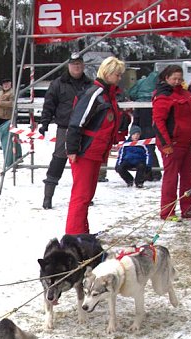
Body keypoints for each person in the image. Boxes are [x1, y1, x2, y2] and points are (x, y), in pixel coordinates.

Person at [64, 56, 125, 234]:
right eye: (117, 74)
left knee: (86, 196)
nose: (119, 78)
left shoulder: (107, 95)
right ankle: (74, 235)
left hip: (96, 151)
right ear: (107, 73)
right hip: (86, 151)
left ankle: (81, 232)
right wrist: (73, 149)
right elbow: (76, 122)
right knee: (81, 196)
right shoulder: (95, 93)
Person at [38, 53, 92, 209]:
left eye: (79, 64)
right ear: (69, 66)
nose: (77, 67)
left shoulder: (89, 84)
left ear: (83, 66)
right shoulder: (58, 84)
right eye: (74, 64)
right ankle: (48, 197)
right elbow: (49, 105)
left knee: (84, 164)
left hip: (85, 129)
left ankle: (85, 195)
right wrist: (44, 123)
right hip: (65, 128)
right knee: (58, 160)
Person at [152, 64, 191, 220]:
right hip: (172, 143)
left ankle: (188, 208)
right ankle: (167, 211)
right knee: (171, 179)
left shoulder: (185, 94)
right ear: (166, 78)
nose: (177, 81)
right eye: (174, 79)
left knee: (189, 176)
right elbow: (158, 122)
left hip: (186, 142)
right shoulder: (163, 96)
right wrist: (166, 144)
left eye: (179, 78)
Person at [0, 78, 14, 144]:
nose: (5, 85)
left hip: (7, 116)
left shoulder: (12, 93)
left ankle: (6, 144)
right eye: (4, 84)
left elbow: (12, 103)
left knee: (6, 132)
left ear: (10, 84)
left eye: (7, 84)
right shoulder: (0, 92)